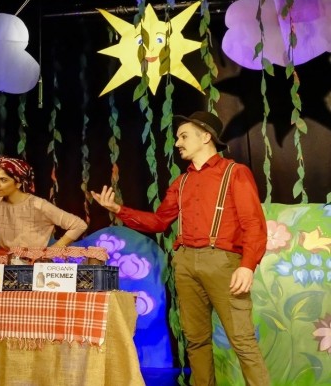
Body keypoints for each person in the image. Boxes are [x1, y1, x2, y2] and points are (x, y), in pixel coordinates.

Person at [91, 111, 269, 386]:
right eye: (177, 138)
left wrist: (247, 265)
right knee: (196, 340)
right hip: (185, 263)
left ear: (206, 137)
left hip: (222, 262)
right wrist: (118, 209)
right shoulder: (181, 182)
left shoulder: (234, 173)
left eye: (183, 136)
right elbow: (160, 222)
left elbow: (253, 223)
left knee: (242, 340)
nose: (177, 143)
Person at [0, 155, 88, 255]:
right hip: (1, 262)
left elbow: (79, 225)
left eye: (3, 180)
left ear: (18, 183)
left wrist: (52, 251)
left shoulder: (38, 205)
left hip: (35, 263)